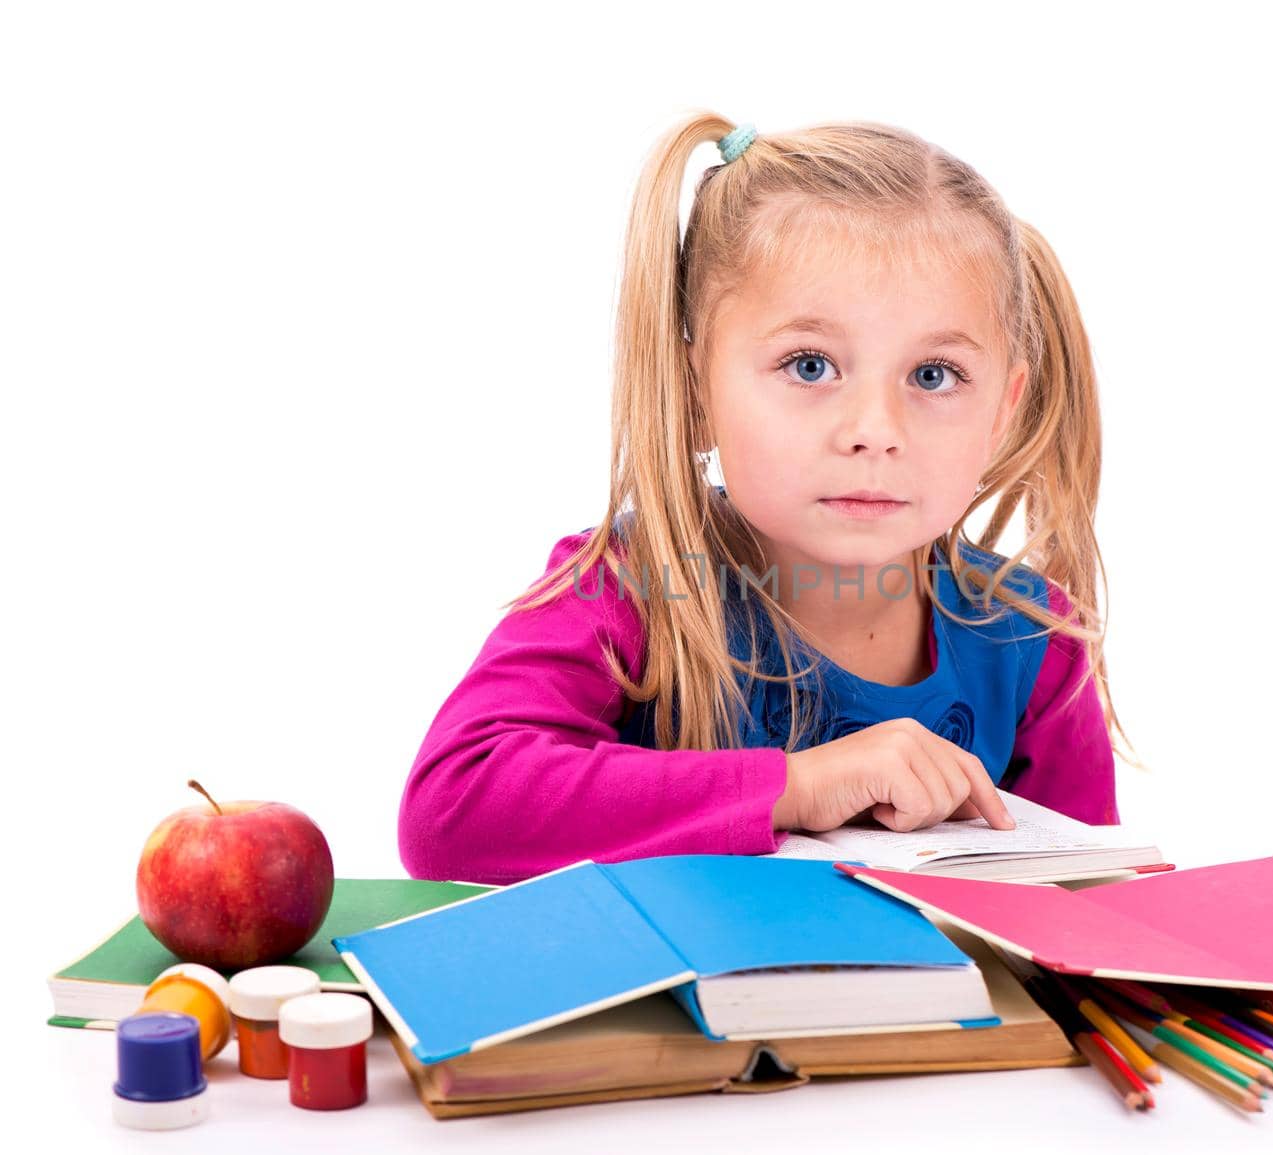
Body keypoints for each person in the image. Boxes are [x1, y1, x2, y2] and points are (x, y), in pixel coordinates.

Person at [398, 113, 1139, 885]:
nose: (874, 432)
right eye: (810, 366)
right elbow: (451, 809)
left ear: (1003, 409)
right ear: (694, 390)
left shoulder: (1036, 642)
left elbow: (1087, 917)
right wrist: (799, 785)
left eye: (933, 375)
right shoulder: (632, 589)